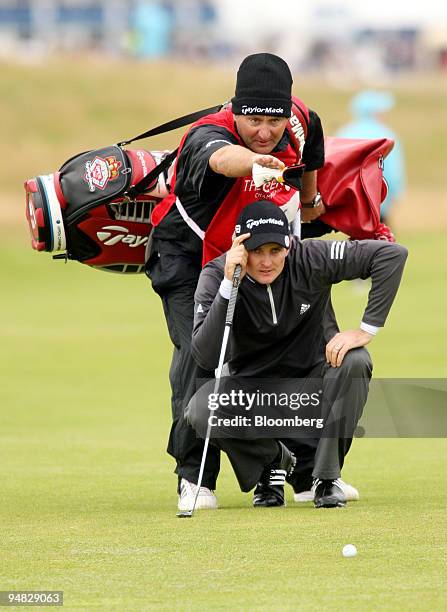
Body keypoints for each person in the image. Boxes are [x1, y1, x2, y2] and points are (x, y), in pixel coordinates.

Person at [145, 52, 329, 511]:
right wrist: (256, 164)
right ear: (235, 109)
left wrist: (309, 203)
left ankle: (308, 472)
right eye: (253, 120)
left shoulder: (302, 121)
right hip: (185, 255)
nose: (265, 132)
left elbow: (309, 162)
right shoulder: (208, 135)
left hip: (254, 250)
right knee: (199, 352)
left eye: (274, 120)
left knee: (299, 345)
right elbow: (225, 158)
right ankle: (195, 478)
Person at [188, 200, 407, 508]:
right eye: (256, 251)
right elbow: (205, 357)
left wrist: (364, 331)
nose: (266, 262)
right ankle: (274, 464)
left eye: (275, 251)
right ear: (239, 248)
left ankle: (326, 479)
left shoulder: (310, 257)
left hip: (313, 388)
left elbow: (391, 255)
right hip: (256, 397)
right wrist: (229, 285)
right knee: (201, 408)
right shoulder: (217, 277)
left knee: (356, 360)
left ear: (289, 246)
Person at [336, 90, 406, 226]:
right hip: (379, 201)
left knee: (355, 245)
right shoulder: (386, 135)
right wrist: (396, 193)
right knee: (383, 243)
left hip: (350, 202)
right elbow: (392, 173)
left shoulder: (345, 133)